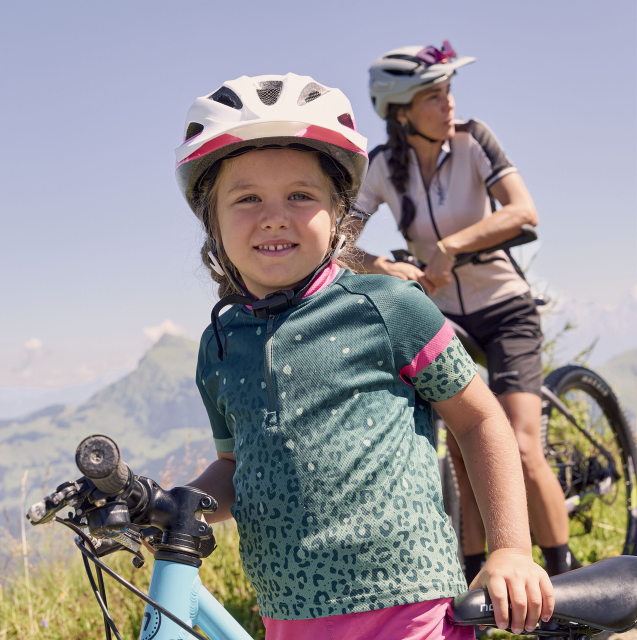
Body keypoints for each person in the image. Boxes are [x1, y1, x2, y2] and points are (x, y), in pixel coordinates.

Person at [175, 72, 552, 639]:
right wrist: (185, 504)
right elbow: (235, 468)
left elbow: (479, 420)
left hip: (409, 609)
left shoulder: (387, 306)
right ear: (213, 220)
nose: (274, 216)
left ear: (338, 212)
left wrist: (512, 551)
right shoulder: (220, 345)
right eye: (246, 198)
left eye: (300, 196)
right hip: (287, 617)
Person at [352, 41, 574, 584]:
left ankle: (566, 578)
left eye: (449, 91)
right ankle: (475, 584)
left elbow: (524, 211)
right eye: (434, 95)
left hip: (504, 306)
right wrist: (381, 265)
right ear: (401, 112)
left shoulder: (474, 140)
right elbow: (336, 243)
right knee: (462, 446)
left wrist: (450, 247)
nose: (448, 103)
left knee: (521, 447)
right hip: (444, 315)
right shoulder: (383, 167)